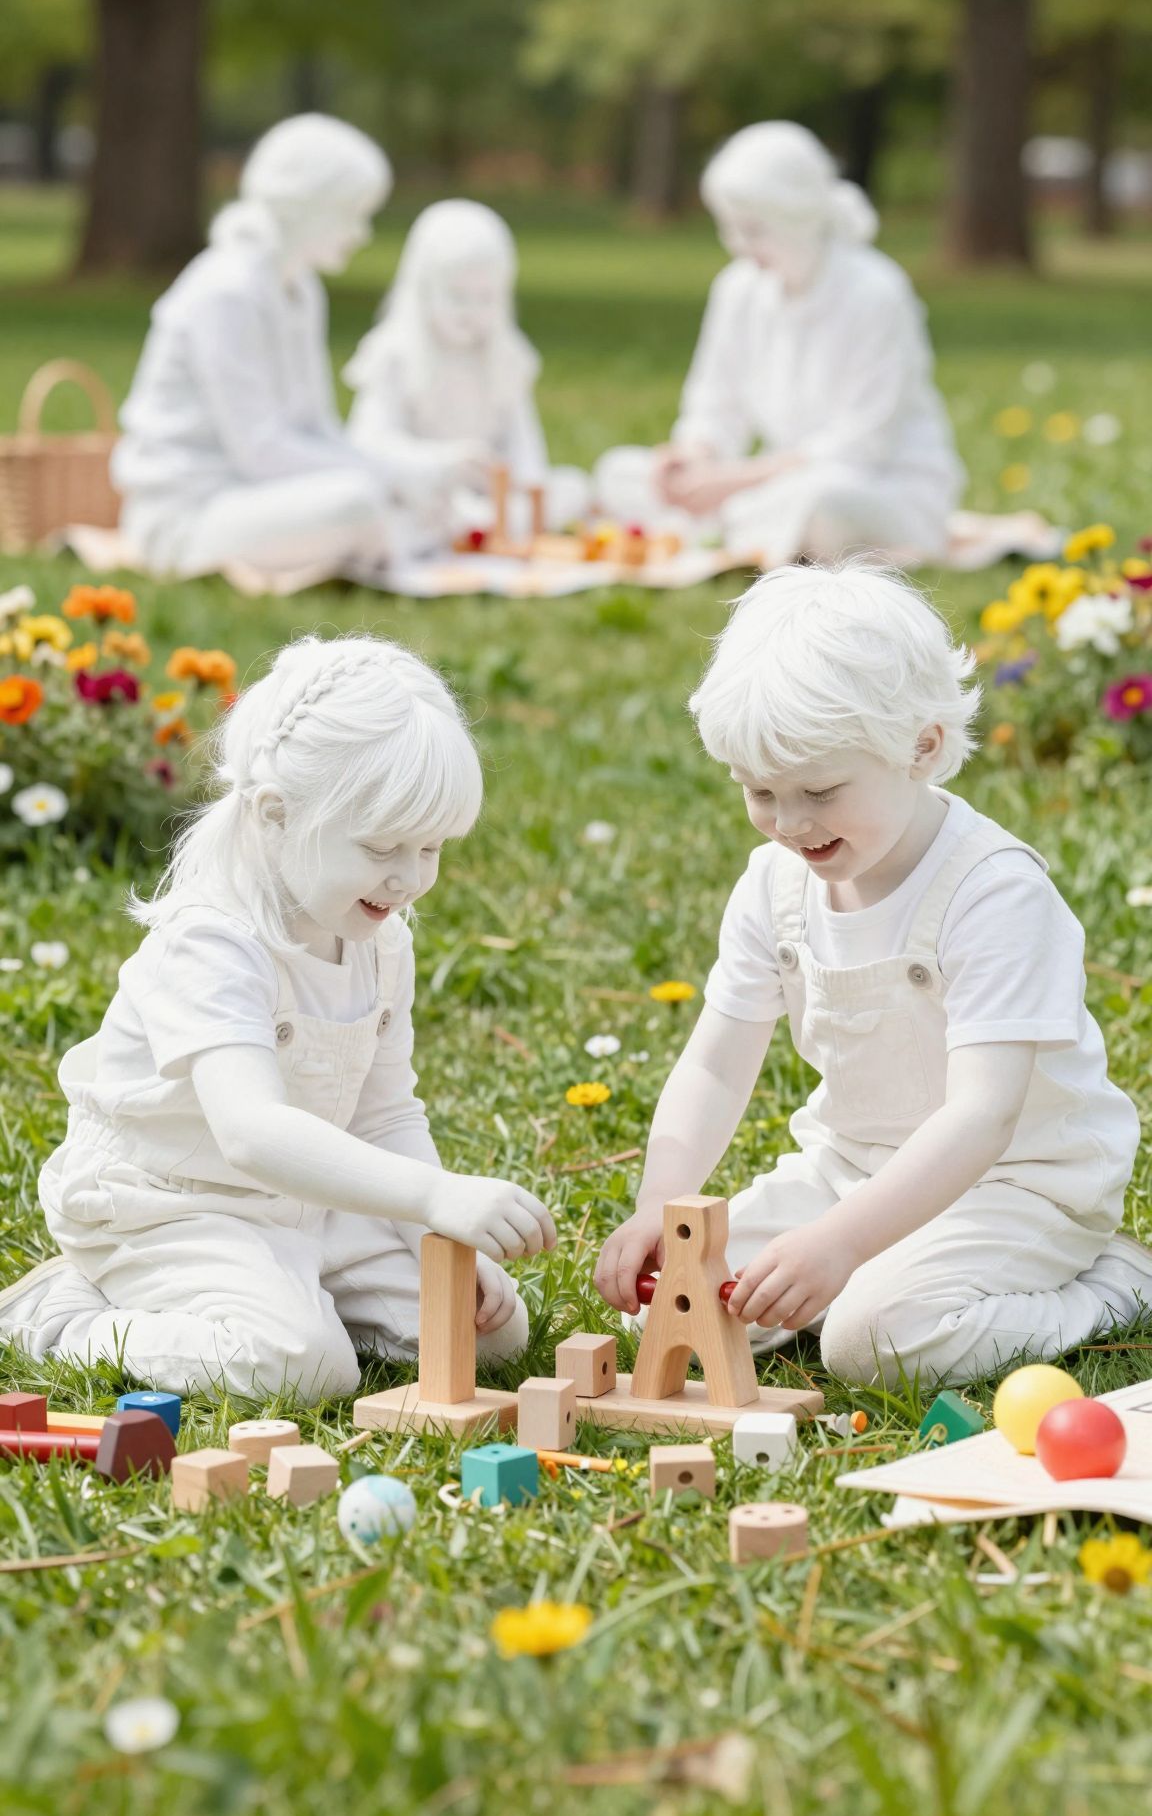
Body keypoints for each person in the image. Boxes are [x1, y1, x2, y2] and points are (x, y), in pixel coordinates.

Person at [594, 563, 1152, 1388]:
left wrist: (844, 1244)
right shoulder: (775, 885)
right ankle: (863, 1273)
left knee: (871, 1341)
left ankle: (1111, 1287)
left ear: (922, 747)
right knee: (674, 1304)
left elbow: (983, 1116)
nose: (790, 823)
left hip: (1016, 1184)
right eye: (760, 792)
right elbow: (715, 1063)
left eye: (820, 789)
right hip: (850, 1168)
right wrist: (662, 1204)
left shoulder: (993, 892)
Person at [0, 635, 556, 1399]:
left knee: (487, 1334)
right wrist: (431, 1197)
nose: (411, 878)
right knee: (303, 1367)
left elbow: (387, 1115)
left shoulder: (380, 943)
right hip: (171, 1207)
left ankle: (288, 1289)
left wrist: (440, 1230)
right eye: (383, 846)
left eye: (431, 848)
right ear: (275, 814)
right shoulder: (212, 942)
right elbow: (251, 1132)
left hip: (304, 1202)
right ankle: (64, 1317)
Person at [595, 122, 966, 565]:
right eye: (728, 228)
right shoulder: (737, 289)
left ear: (800, 216)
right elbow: (715, 404)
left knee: (826, 504)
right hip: (771, 482)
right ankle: (752, 527)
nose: (737, 246)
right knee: (620, 472)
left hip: (874, 484)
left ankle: (756, 529)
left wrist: (733, 481)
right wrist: (692, 458)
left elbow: (860, 445)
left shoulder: (876, 292)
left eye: (752, 230)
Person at [112, 115, 405, 583]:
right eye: (353, 214)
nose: (361, 233)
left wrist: (393, 473)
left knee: (377, 496)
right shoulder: (226, 291)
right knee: (359, 500)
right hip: (189, 513)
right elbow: (260, 449)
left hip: (259, 495)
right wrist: (387, 478)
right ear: (307, 204)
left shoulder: (301, 290)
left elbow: (316, 427)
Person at [344, 199, 589, 543]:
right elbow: (366, 443)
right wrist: (442, 462)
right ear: (424, 289)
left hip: (492, 499)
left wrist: (529, 487)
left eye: (486, 298)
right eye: (457, 296)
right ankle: (468, 526)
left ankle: (493, 525)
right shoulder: (394, 355)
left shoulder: (506, 358)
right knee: (389, 506)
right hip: (423, 493)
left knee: (571, 487)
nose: (471, 312)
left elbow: (524, 441)